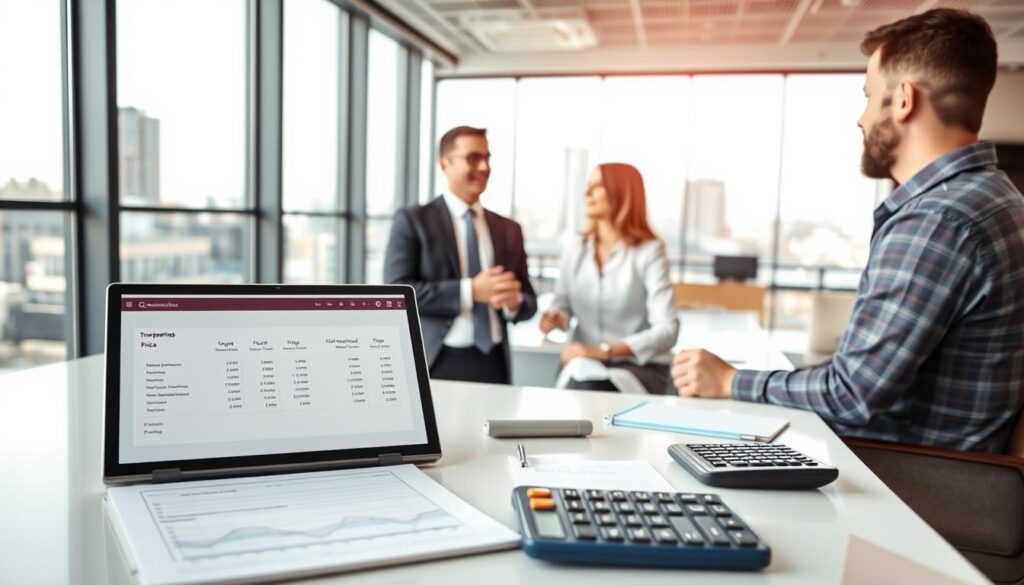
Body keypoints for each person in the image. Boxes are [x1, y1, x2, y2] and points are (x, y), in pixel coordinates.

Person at [671, 9, 1024, 453]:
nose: (860, 119)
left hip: (911, 479)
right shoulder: (996, 196)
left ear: (903, 100)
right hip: (947, 473)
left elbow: (851, 395)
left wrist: (729, 380)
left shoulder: (937, 220)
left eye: (868, 96)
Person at [384, 126, 537, 385]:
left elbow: (529, 302)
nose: (484, 167)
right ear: (445, 164)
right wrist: (470, 291)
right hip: (438, 360)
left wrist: (514, 302)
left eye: (487, 158)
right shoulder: (413, 221)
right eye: (473, 158)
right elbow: (397, 291)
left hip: (495, 362)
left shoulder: (509, 229)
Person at [540, 163, 679, 394]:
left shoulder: (649, 251)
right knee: (583, 381)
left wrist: (605, 350)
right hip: (584, 363)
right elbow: (562, 304)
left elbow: (667, 329)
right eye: (588, 186)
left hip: (639, 367)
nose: (587, 194)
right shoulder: (575, 247)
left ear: (621, 193)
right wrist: (556, 317)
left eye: (597, 186)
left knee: (589, 388)